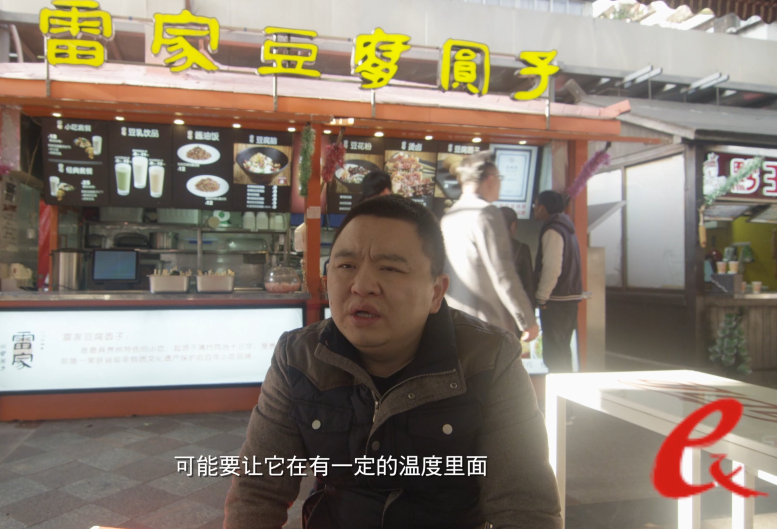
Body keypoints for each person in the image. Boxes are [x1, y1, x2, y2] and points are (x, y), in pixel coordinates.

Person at [224, 195, 562, 529]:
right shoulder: (298, 357)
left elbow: (525, 506)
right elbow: (258, 489)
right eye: (346, 266)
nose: (362, 286)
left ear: (436, 292)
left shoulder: (490, 358)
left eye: (390, 268)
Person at [440, 152, 539, 342]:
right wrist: (526, 320)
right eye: (500, 178)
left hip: (454, 319)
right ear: (491, 179)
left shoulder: (450, 215)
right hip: (486, 322)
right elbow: (503, 273)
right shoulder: (487, 212)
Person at [532, 190, 583, 373]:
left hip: (557, 302)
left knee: (555, 355)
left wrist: (541, 297)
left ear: (542, 207)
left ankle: (560, 391)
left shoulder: (553, 230)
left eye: (535, 205)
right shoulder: (567, 228)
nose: (534, 209)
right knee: (562, 351)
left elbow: (552, 268)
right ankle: (566, 390)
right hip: (568, 301)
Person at [499, 207, 537, 314]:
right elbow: (529, 287)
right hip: (514, 310)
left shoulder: (483, 247)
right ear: (513, 225)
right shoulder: (521, 249)